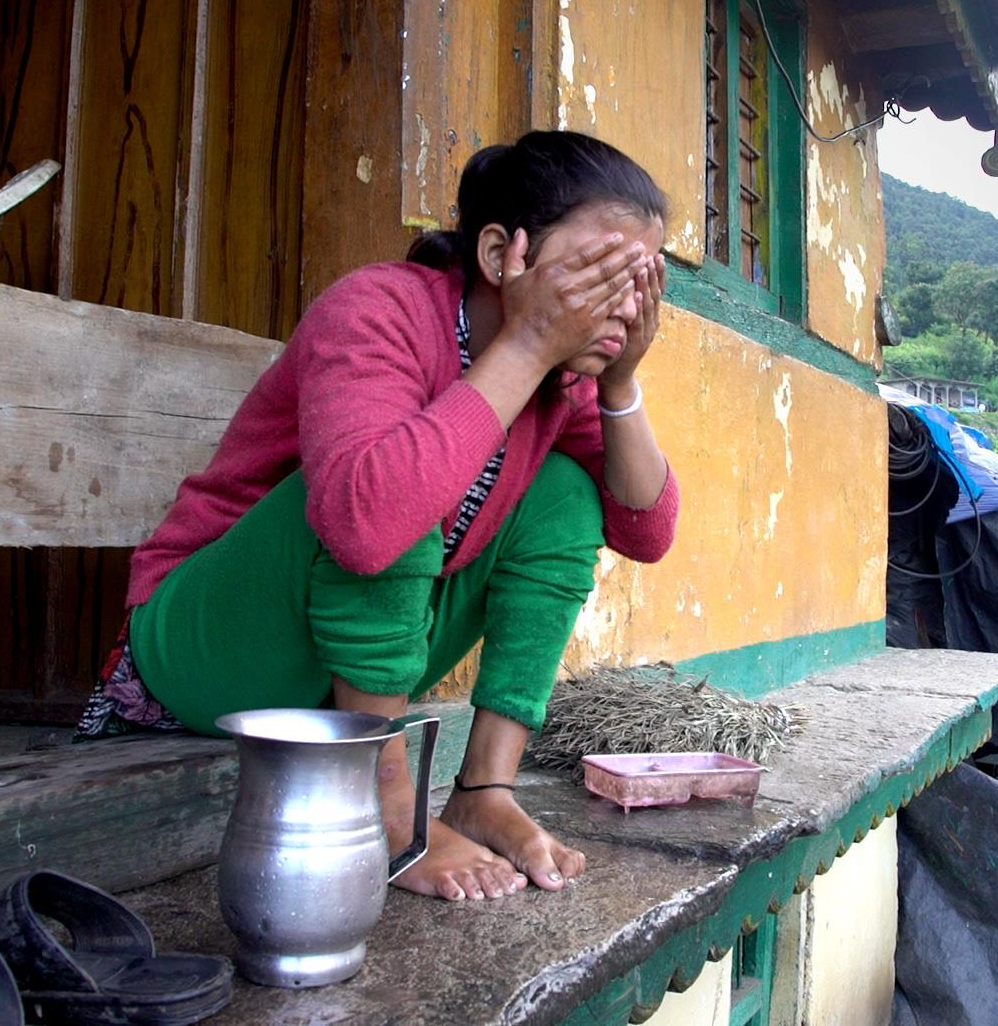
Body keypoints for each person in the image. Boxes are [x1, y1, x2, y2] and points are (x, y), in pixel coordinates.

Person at [75, 131, 679, 902]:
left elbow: (646, 533)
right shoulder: (378, 308)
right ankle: (387, 806)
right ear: (502, 256)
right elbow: (367, 520)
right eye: (597, 272)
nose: (625, 305)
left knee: (564, 493)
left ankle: (485, 789)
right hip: (206, 654)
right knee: (398, 484)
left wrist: (621, 381)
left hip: (335, 673)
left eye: (641, 280)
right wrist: (528, 343)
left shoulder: (562, 384)